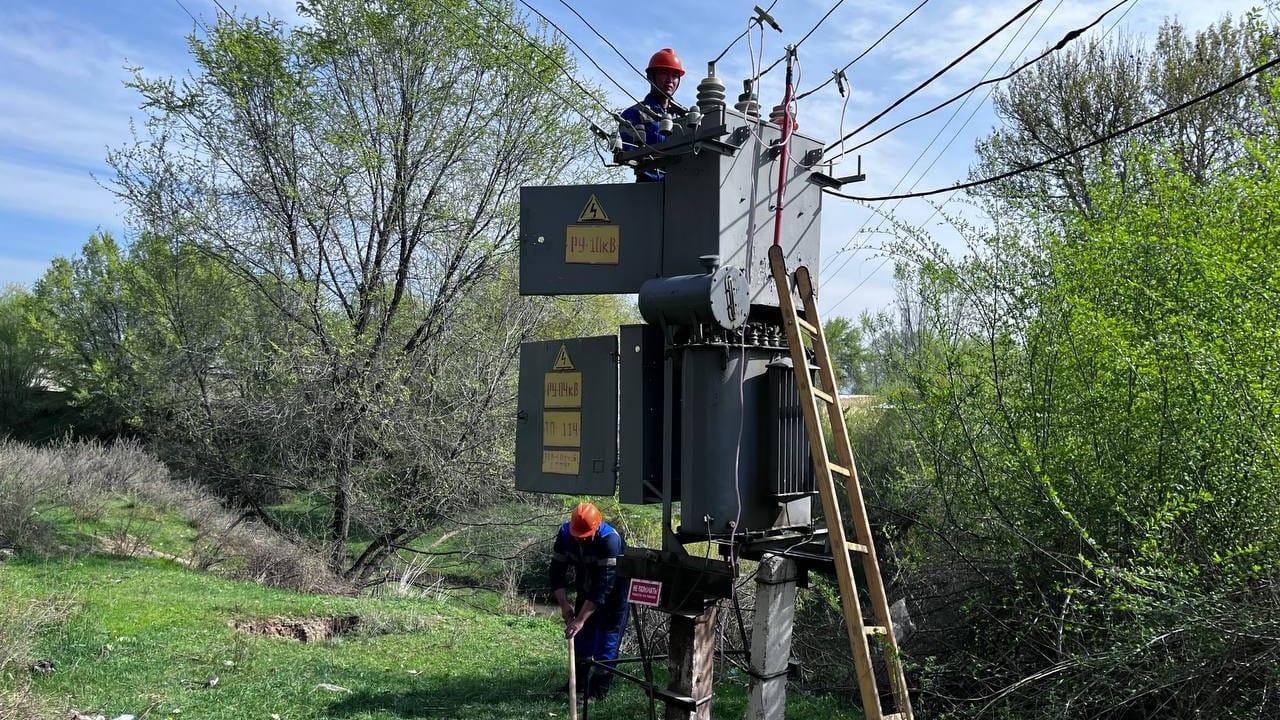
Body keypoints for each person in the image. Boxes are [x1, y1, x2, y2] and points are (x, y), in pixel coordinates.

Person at [551, 501, 630, 701]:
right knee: (582, 639)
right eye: (578, 538)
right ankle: (577, 685)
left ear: (596, 528)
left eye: (585, 538)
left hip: (614, 596)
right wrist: (564, 605)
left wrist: (580, 618)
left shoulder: (610, 540)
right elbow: (556, 573)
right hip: (586, 590)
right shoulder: (565, 534)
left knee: (606, 643)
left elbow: (603, 587)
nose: (581, 542)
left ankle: (597, 691)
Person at [618, 48, 686, 182]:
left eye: (674, 75)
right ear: (650, 77)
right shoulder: (633, 114)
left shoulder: (682, 117)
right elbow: (630, 154)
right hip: (648, 190)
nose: (670, 80)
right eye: (663, 73)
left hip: (680, 189)